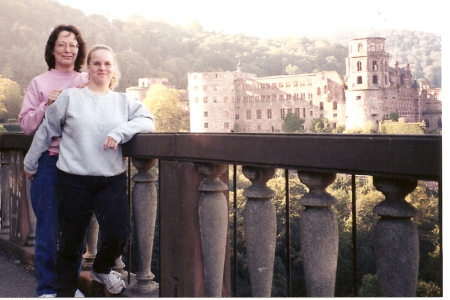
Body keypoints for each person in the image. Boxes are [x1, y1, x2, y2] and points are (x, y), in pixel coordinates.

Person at [23, 44, 155, 297]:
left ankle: (101, 269)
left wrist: (119, 132)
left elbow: (148, 121)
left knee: (118, 234)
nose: (102, 68)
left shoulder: (124, 101)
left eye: (107, 63)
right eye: (97, 63)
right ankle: (64, 292)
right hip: (73, 179)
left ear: (113, 69)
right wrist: (30, 163)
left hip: (110, 179)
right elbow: (46, 130)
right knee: (72, 241)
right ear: (88, 68)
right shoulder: (70, 97)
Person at [18, 24, 89, 298]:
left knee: (76, 232)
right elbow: (25, 126)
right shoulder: (39, 82)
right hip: (48, 163)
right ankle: (47, 290)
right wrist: (45, 105)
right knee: (46, 231)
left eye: (73, 45)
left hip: (78, 163)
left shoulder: (85, 79)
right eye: (62, 44)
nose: (68, 49)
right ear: (52, 49)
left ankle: (68, 289)